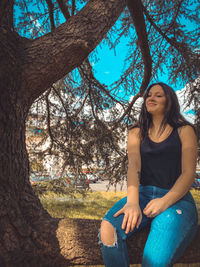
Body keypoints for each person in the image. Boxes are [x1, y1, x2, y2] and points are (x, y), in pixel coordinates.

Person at [99, 82, 198, 267]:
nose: (151, 98)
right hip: (142, 195)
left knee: (153, 258)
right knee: (108, 228)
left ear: (170, 101)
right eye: (149, 95)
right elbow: (134, 166)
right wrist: (132, 202)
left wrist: (164, 202)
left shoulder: (185, 130)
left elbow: (188, 173)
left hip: (176, 199)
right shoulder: (136, 132)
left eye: (158, 95)